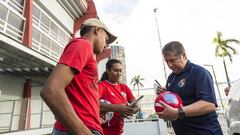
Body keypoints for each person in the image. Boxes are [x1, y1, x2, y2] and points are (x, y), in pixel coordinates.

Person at [40, 18, 117, 135]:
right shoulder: (83, 44)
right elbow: (51, 90)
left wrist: (94, 117)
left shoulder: (86, 51)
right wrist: (83, 131)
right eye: (106, 39)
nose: (106, 45)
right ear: (97, 30)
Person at [156, 41, 223, 135]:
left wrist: (178, 112)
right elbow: (179, 99)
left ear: (183, 55)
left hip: (205, 132)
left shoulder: (199, 73)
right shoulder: (172, 77)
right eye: (167, 61)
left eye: (172, 60)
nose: (169, 65)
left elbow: (209, 104)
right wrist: (165, 94)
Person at [98, 59, 140, 135]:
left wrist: (131, 110)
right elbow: (93, 103)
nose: (119, 73)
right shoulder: (102, 86)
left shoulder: (124, 88)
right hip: (103, 132)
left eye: (120, 71)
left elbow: (136, 105)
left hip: (119, 132)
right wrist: (117, 108)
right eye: (115, 70)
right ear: (107, 70)